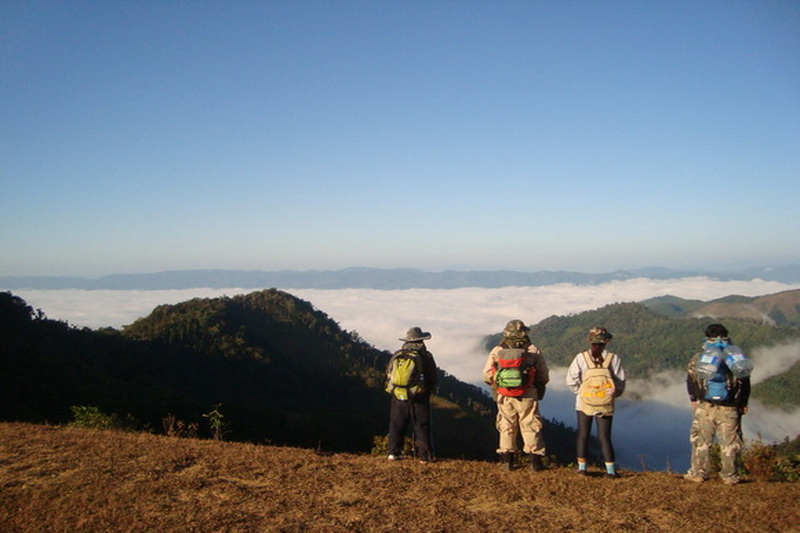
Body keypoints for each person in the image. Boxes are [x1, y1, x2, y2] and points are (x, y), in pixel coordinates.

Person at [684, 323, 751, 485]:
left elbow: (691, 380)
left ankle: (698, 473)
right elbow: (745, 381)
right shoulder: (735, 357)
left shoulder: (699, 358)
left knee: (702, 441)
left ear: (707, 337)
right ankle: (730, 476)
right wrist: (743, 403)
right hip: (730, 407)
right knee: (729, 443)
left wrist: (694, 399)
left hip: (705, 406)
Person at [482, 319, 550, 471]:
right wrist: (534, 386)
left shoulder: (498, 350)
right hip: (528, 393)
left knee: (506, 425)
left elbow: (487, 375)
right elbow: (543, 375)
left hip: (504, 394)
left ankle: (507, 462)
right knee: (530, 424)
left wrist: (498, 385)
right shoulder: (532, 349)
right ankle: (535, 463)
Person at [566, 326, 626, 478]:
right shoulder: (614, 358)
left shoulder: (581, 357)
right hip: (606, 402)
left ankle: (582, 468)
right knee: (604, 437)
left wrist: (581, 393)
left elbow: (571, 380)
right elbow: (620, 382)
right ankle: (611, 471)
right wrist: (612, 395)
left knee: (583, 434)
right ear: (606, 341)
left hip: (584, 402)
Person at [385, 327, 438, 463]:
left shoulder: (398, 354)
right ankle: (425, 457)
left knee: (397, 424)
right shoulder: (425, 356)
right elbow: (432, 377)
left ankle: (393, 453)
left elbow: (389, 375)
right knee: (421, 425)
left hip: (399, 395)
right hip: (419, 396)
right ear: (421, 340)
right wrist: (427, 390)